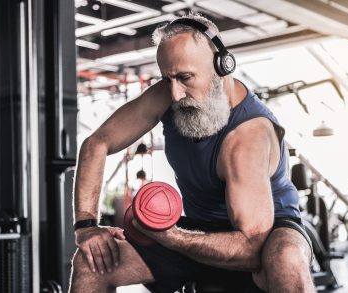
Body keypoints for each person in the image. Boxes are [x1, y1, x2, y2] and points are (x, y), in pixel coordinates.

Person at [70, 13, 315, 293]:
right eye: (167, 79)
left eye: (185, 77)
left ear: (222, 67)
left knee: (287, 256)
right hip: (198, 227)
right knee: (92, 263)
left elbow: (250, 247)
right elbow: (97, 143)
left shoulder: (248, 136)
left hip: (264, 232)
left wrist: (170, 235)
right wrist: (86, 225)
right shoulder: (168, 94)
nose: (175, 93)